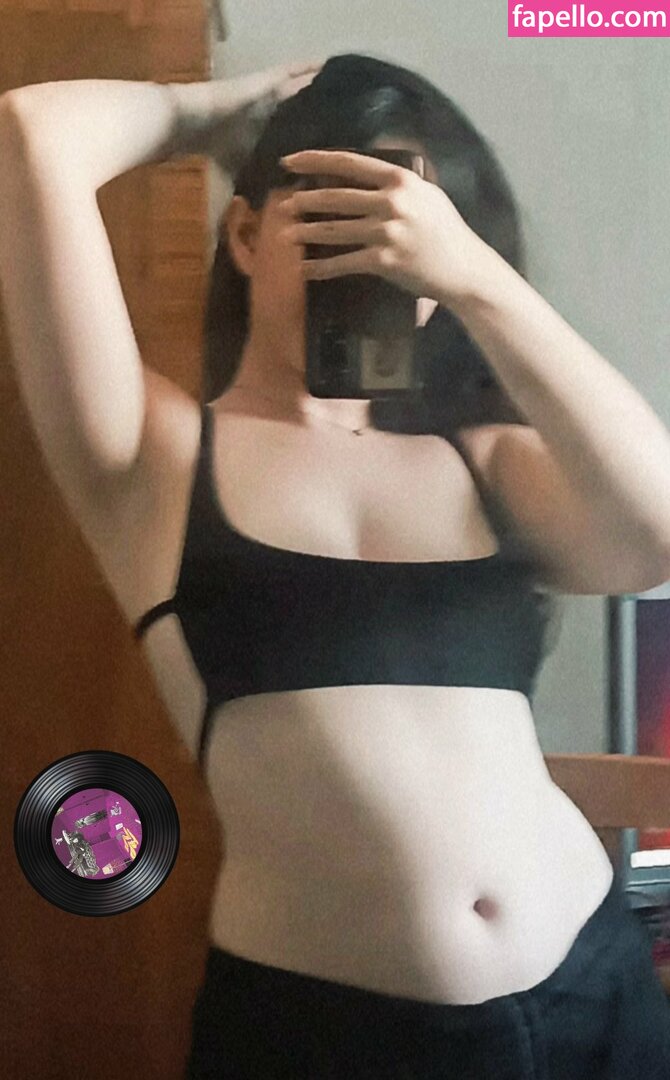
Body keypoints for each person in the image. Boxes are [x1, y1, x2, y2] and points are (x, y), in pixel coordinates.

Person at [2, 51, 670, 1080]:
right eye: (331, 218)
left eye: (397, 229)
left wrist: (471, 275)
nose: (368, 256)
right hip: (331, 1036)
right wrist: (219, 111)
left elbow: (655, 533)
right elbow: (35, 133)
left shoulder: (485, 461)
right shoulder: (155, 458)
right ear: (245, 234)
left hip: (597, 992)